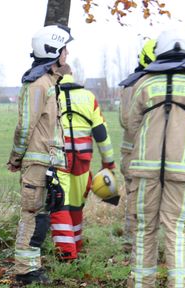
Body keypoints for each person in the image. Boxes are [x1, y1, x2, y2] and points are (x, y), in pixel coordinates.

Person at [126, 27, 185, 288]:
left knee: (143, 226)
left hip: (144, 168)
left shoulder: (144, 84)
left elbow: (132, 125)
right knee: (179, 229)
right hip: (184, 170)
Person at [7, 25, 71, 284]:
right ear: (55, 50)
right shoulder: (37, 84)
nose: (67, 54)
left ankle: (31, 266)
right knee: (32, 213)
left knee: (40, 215)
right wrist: (16, 157)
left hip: (45, 162)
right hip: (36, 161)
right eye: (65, 48)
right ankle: (26, 270)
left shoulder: (49, 82)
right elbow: (25, 126)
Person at [51, 65, 115, 260]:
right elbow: (101, 134)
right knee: (76, 205)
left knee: (59, 203)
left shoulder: (51, 96)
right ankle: (76, 246)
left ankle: (66, 254)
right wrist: (108, 164)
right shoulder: (88, 97)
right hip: (83, 159)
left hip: (59, 159)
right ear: (72, 75)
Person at [118, 39, 157, 251]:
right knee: (138, 199)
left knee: (138, 199)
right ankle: (134, 243)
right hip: (137, 153)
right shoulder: (138, 84)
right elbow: (128, 120)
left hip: (136, 153)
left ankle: (132, 241)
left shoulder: (129, 84)